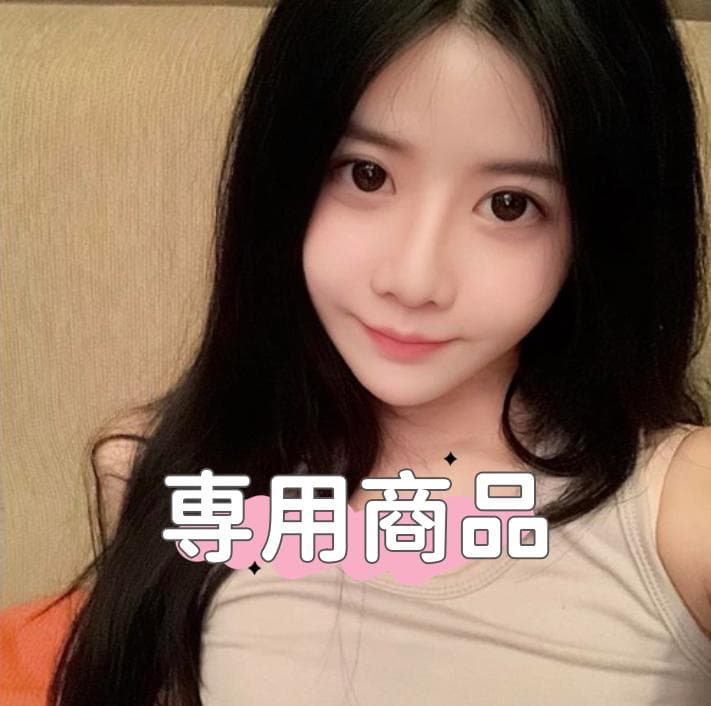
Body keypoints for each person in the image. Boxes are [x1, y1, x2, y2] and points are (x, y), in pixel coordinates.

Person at [10, 0, 708, 703]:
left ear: (603, 231)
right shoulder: (161, 471)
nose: (413, 280)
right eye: (366, 174)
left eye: (509, 204)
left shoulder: (684, 509)